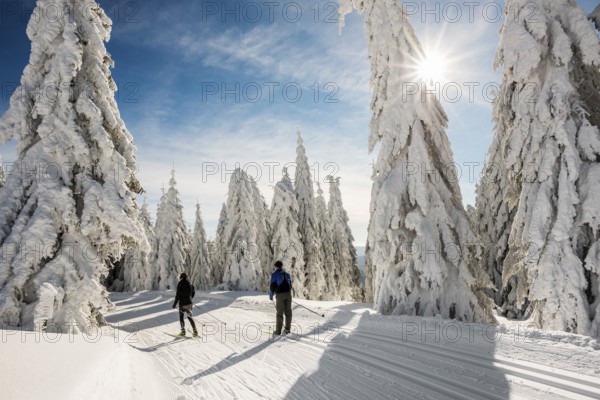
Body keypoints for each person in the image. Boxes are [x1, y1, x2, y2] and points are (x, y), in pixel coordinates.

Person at [269, 261, 292, 335]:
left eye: (274, 267)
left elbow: (272, 286)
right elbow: (290, 285)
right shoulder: (287, 274)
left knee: (279, 313)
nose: (274, 268)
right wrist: (287, 294)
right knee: (288, 313)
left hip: (280, 295)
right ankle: (287, 329)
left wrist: (271, 296)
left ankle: (278, 331)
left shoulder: (274, 274)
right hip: (288, 295)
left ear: (276, 267)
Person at [172, 272, 198, 337]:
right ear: (186, 277)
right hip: (189, 303)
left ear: (181, 277)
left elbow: (177, 295)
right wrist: (190, 298)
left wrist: (174, 304)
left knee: (181, 317)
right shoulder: (190, 283)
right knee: (189, 317)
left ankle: (183, 332)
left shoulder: (180, 284)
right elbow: (193, 293)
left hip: (182, 304)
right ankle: (195, 331)